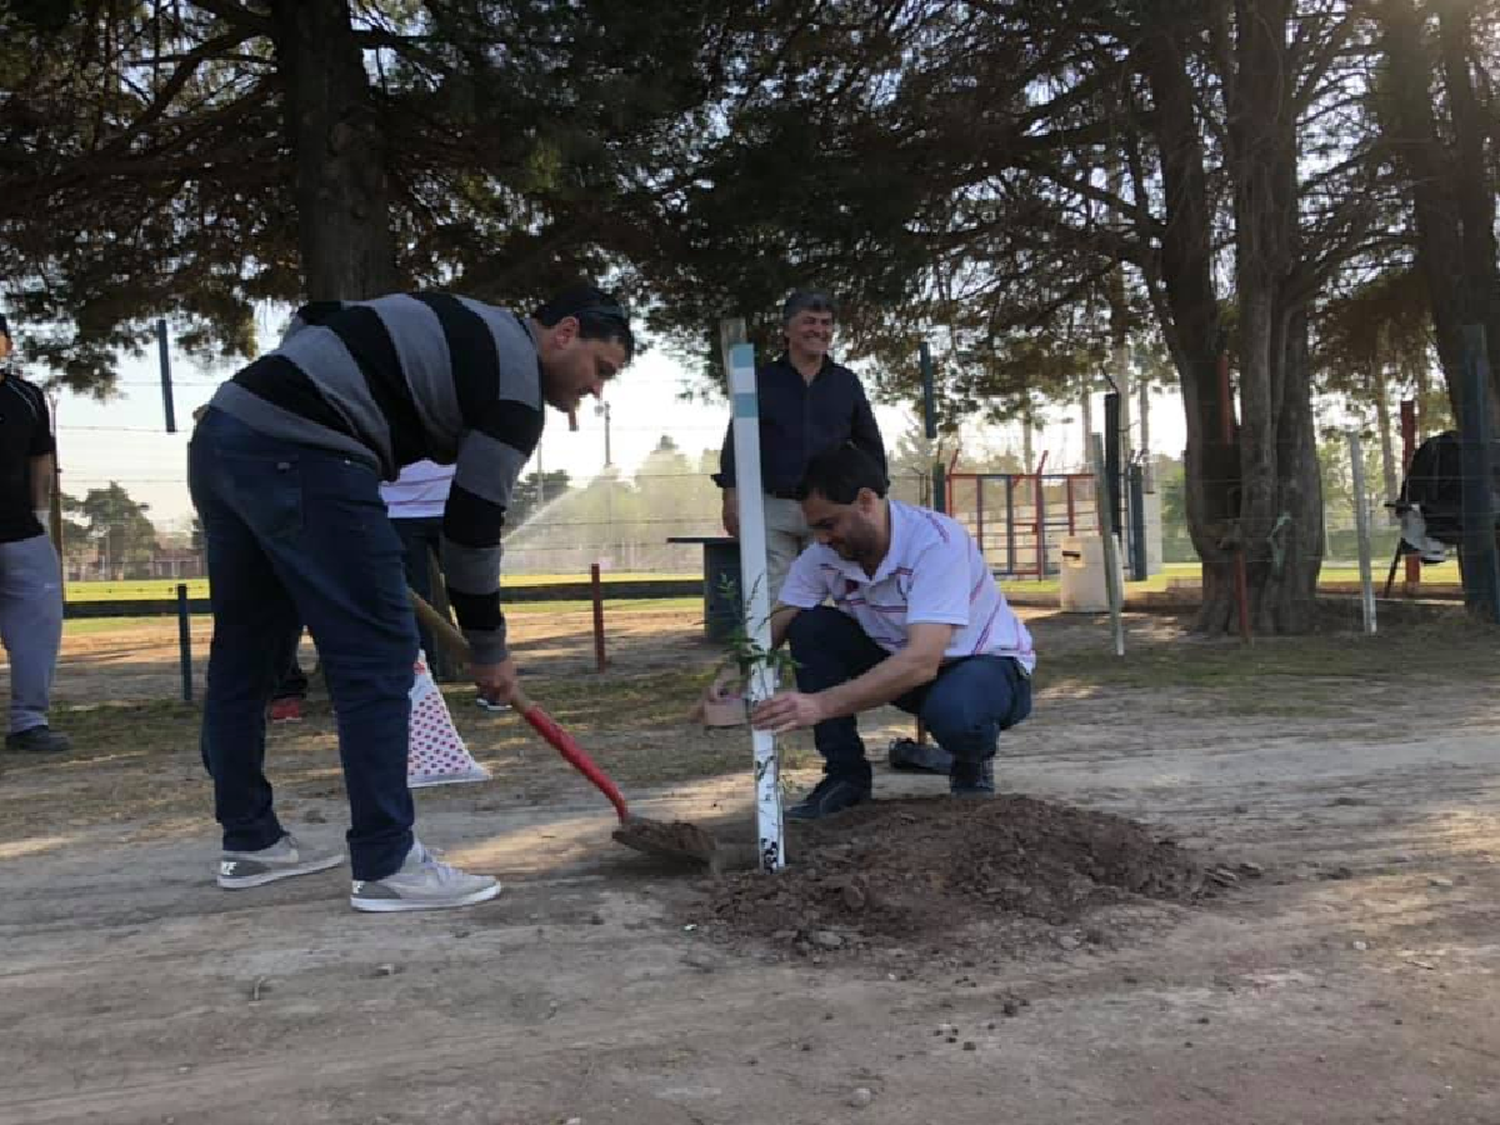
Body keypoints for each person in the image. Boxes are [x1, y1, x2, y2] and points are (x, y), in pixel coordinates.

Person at [189, 285, 633, 912]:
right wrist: (490, 650)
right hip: (311, 458)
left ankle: (251, 841)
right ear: (564, 333)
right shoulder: (514, 390)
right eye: (600, 369)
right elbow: (470, 532)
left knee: (248, 652)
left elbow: (319, 321)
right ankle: (387, 862)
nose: (596, 390)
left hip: (224, 438)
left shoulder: (470, 319)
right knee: (378, 658)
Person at [751, 443, 1034, 820]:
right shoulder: (824, 556)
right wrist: (730, 676)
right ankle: (845, 777)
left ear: (866, 501)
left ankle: (970, 760)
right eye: (814, 528)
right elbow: (784, 614)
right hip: (915, 673)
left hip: (988, 670)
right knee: (811, 626)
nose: (820, 539)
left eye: (828, 524)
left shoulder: (936, 542)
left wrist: (819, 705)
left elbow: (921, 661)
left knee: (957, 712)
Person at [713, 290, 886, 601]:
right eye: (809, 321)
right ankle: (770, 651)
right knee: (769, 591)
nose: (819, 330)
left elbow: (869, 442)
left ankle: (820, 650)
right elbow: (737, 440)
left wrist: (878, 495)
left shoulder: (846, 383)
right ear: (787, 329)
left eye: (826, 323)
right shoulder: (759, 381)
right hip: (772, 506)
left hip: (831, 507)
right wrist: (731, 495)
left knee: (830, 591)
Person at [0, 313, 70, 755]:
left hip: (21, 535)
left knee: (37, 630)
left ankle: (29, 723)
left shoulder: (25, 397)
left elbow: (40, 459)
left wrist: (41, 516)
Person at [380, 458, 458, 676]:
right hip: (395, 509)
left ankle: (491, 677)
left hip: (457, 502)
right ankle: (425, 674)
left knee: (470, 593)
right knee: (414, 600)